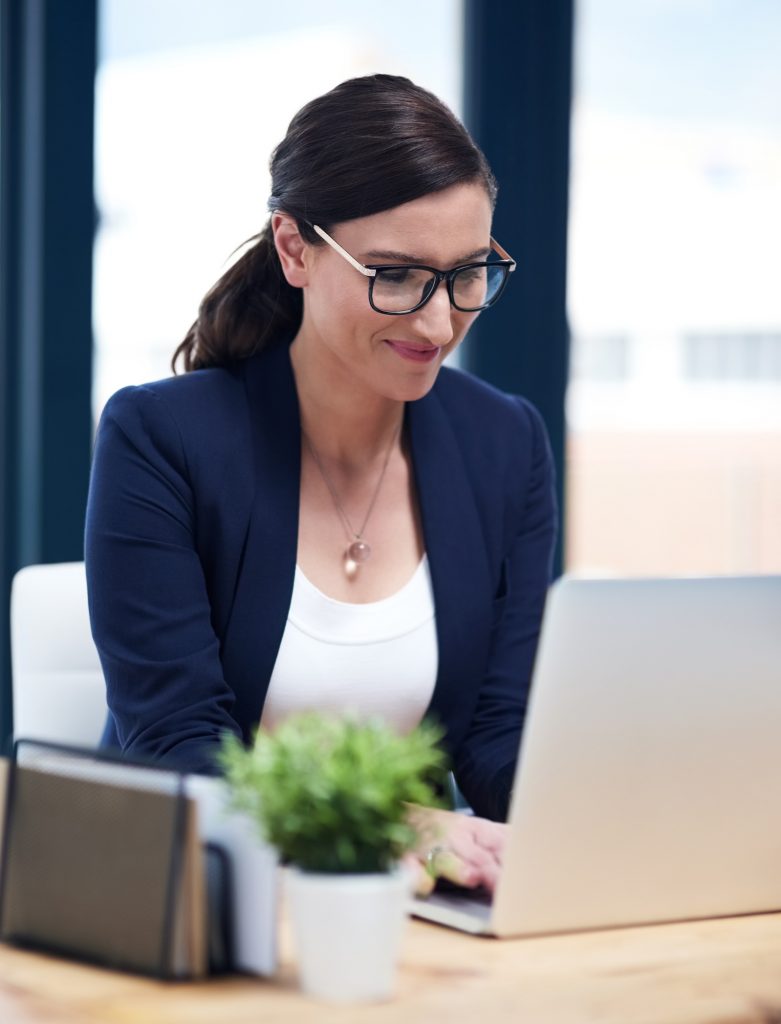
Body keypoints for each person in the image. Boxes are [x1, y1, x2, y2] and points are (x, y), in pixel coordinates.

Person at [85, 74, 557, 894]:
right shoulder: (161, 439)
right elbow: (177, 747)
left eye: (469, 273)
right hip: (190, 905)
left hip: (404, 913)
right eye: (396, 275)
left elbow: (495, 736)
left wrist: (595, 821)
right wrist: (384, 823)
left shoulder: (504, 444)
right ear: (295, 249)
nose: (438, 323)